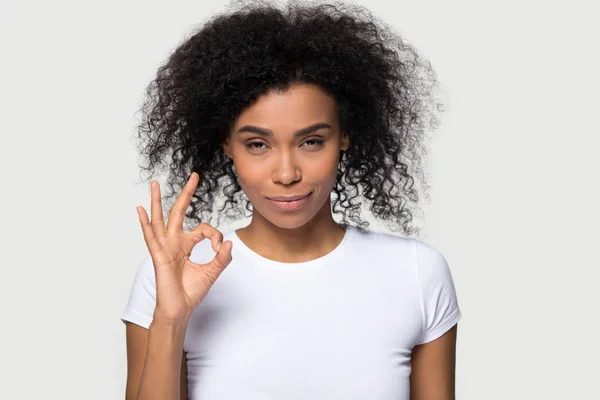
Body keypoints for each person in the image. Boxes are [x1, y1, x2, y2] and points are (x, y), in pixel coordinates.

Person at [120, 1, 462, 399]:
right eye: (258, 144)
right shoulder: (171, 280)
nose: (286, 174)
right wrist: (170, 321)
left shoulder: (417, 274)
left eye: (311, 141)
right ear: (227, 144)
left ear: (345, 136)